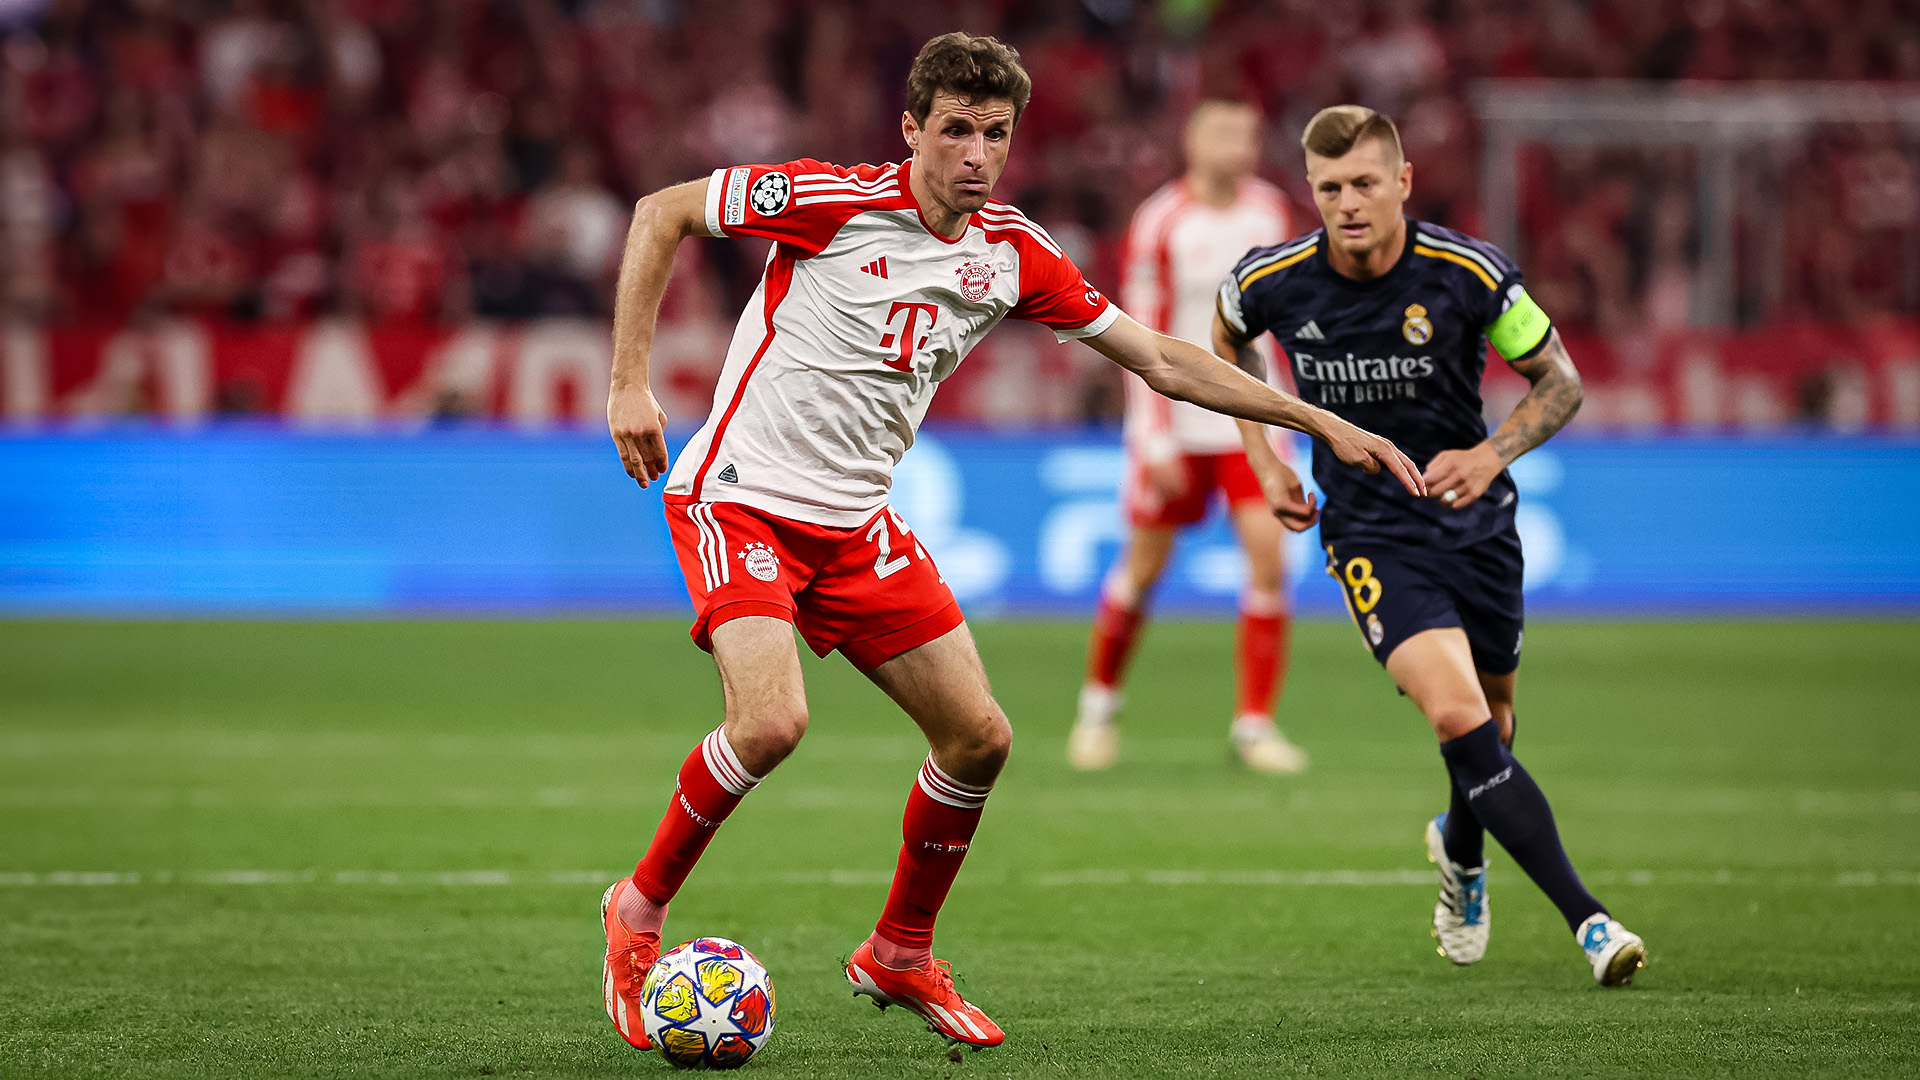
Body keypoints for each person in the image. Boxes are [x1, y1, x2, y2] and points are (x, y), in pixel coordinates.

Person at [600, 36, 1424, 1053]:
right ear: (912, 129)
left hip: (856, 524)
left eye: (995, 133)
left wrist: (1321, 423)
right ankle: (635, 913)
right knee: (771, 724)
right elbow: (663, 211)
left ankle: (899, 952)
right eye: (955, 129)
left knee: (980, 738)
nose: (977, 154)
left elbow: (1162, 357)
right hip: (741, 499)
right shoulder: (832, 200)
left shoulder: (1011, 254)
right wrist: (629, 381)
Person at [1214, 105, 1647, 986]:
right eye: (1330, 188)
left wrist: (1493, 453)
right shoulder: (1274, 280)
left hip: (1477, 525)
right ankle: (1591, 921)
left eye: (1366, 183)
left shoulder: (1469, 274)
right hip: (1370, 530)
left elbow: (1558, 381)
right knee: (1461, 719)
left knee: (1497, 725)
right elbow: (1225, 341)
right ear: (1313, 192)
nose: (1349, 203)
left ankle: (1461, 850)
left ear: (1402, 181)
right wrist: (1263, 455)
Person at [1069, 99, 1307, 775]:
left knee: (1269, 559)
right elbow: (1140, 332)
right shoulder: (1161, 220)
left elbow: (1283, 317)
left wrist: (1289, 408)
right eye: (1224, 131)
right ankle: (1098, 710)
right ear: (1192, 141)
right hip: (1178, 417)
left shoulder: (1272, 212)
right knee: (1144, 569)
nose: (1239, 143)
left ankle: (1254, 726)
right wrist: (1155, 439)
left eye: (1248, 132)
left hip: (1251, 417)